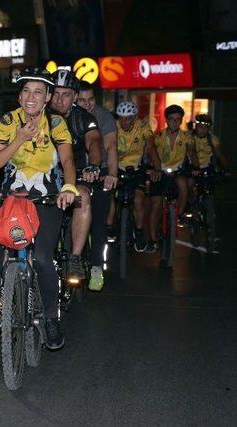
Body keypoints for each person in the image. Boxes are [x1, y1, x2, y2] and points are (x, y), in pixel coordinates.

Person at [0, 67, 78, 350]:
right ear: (19, 95)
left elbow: (68, 162)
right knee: (3, 242)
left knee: (41, 258)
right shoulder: (8, 121)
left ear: (48, 97)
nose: (31, 97)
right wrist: (19, 139)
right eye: (26, 91)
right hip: (14, 195)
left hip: (47, 198)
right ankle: (4, 282)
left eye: (38, 92)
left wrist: (69, 188)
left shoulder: (56, 123)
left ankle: (51, 318)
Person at [50, 70, 101, 283]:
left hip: (78, 172)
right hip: (47, 174)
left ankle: (75, 258)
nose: (59, 100)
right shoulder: (40, 114)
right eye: (55, 93)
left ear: (74, 97)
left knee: (83, 197)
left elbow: (94, 143)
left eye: (66, 94)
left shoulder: (84, 118)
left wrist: (94, 166)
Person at [76, 82, 118, 291]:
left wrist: (111, 174)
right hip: (73, 172)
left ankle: (95, 267)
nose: (87, 104)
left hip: (99, 171)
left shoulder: (104, 117)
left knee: (99, 221)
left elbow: (110, 147)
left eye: (90, 100)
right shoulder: (70, 115)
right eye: (82, 100)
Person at [108, 101, 160, 253]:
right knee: (109, 194)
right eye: (121, 118)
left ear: (135, 117)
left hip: (136, 167)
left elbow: (150, 148)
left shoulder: (143, 126)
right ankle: (109, 226)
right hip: (116, 166)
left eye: (128, 118)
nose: (124, 122)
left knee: (138, 200)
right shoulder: (113, 126)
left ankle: (138, 232)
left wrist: (157, 169)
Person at [148, 105, 198, 250]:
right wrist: (153, 169)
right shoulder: (158, 136)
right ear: (166, 120)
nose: (174, 122)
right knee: (156, 204)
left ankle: (178, 215)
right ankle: (152, 240)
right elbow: (151, 153)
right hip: (160, 171)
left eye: (178, 119)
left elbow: (192, 152)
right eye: (171, 119)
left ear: (181, 120)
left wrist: (196, 167)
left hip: (177, 171)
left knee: (183, 183)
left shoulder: (187, 136)